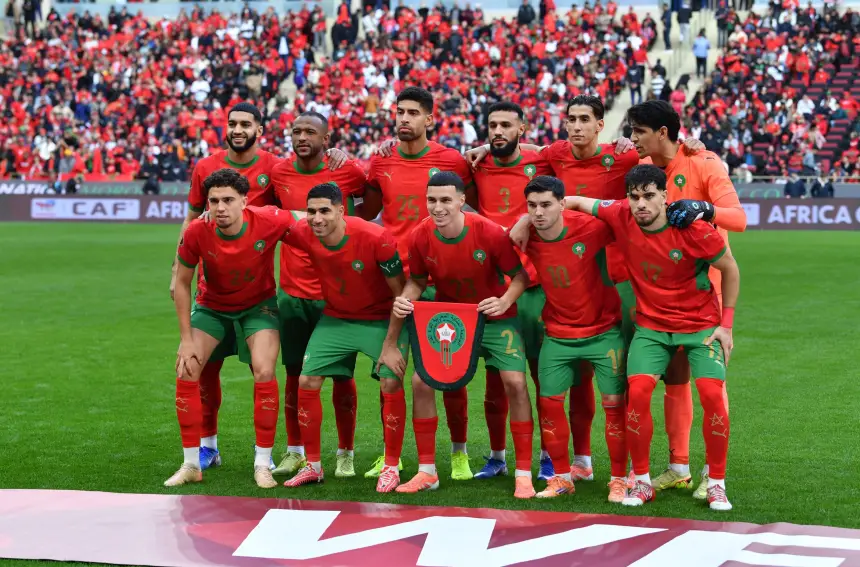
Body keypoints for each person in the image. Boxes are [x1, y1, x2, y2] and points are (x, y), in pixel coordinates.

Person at [560, 164, 740, 511]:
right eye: (634, 196)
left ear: (664, 196)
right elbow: (578, 202)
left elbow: (730, 268)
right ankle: (641, 481)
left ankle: (716, 482)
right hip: (652, 329)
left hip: (700, 326)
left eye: (648, 196)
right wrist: (527, 218)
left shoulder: (694, 229)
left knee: (711, 395)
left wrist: (726, 325)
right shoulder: (621, 213)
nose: (640, 204)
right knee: (638, 393)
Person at [386, 171, 535, 498]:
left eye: (445, 200)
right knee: (420, 381)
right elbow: (419, 281)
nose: (437, 208)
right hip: (452, 319)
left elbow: (520, 276)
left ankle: (523, 473)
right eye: (431, 200)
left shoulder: (490, 232)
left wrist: (504, 300)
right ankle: (427, 472)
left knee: (516, 383)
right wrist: (405, 298)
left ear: (461, 201)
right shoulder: (420, 235)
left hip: (495, 317)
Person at [627, 100, 746, 499]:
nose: (631, 139)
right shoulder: (643, 166)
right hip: (661, 295)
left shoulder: (704, 162)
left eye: (638, 131)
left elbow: (739, 218)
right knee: (673, 382)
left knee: (711, 387)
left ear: (661, 133)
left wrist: (706, 208)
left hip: (706, 291)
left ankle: (715, 477)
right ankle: (678, 467)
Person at [360, 86, 476, 481]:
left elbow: (472, 201)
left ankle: (459, 452)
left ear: (430, 119)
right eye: (399, 111)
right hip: (392, 279)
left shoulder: (451, 160)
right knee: (389, 370)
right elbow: (369, 209)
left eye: (413, 112)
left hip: (439, 279)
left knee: (449, 366)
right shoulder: (381, 160)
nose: (403, 118)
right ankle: (391, 457)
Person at [168, 168, 298, 489]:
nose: (220, 207)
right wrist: (186, 339)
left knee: (265, 371)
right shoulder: (197, 231)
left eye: (228, 200)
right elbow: (181, 284)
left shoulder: (269, 219)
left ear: (245, 200)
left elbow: (306, 217)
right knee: (187, 369)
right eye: (214, 201)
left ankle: (262, 462)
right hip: (212, 308)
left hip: (259, 308)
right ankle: (190, 464)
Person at [168, 102, 281, 472]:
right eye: (232, 123)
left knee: (263, 369)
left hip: (256, 288)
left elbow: (294, 212)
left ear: (258, 130)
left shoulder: (274, 168)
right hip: (212, 289)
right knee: (204, 369)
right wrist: (177, 263)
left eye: (245, 124)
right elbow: (191, 219)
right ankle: (207, 447)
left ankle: (264, 455)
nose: (237, 129)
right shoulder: (205, 167)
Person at [281, 183, 410, 493]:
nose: (317, 218)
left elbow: (401, 294)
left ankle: (391, 466)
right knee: (307, 381)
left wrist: (391, 344)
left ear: (341, 210)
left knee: (390, 381)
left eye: (325, 210)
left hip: (381, 319)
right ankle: (312, 465)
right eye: (311, 211)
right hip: (336, 319)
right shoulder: (303, 231)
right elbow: (270, 218)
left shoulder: (375, 238)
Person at [517, 175, 630, 502]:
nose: (538, 212)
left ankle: (619, 479)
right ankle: (562, 478)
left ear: (562, 204)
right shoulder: (527, 236)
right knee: (549, 404)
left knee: (615, 406)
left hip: (604, 332)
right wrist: (521, 222)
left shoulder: (592, 228)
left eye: (546, 205)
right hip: (558, 335)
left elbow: (627, 216)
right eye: (532, 206)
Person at [269, 112, 368, 479]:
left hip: (335, 294)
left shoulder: (348, 172)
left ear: (326, 139)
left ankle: (346, 452)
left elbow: (370, 205)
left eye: (310, 131)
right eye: (296, 131)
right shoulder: (279, 173)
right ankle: (295, 451)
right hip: (293, 293)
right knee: (294, 374)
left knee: (342, 377)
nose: (302, 137)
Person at [469, 101, 555, 481]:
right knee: (496, 380)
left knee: (540, 377)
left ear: (523, 128)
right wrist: (483, 149)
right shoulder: (476, 163)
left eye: (506, 124)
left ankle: (549, 455)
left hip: (534, 286)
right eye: (492, 126)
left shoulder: (543, 162)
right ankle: (497, 455)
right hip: (492, 288)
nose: (498, 131)